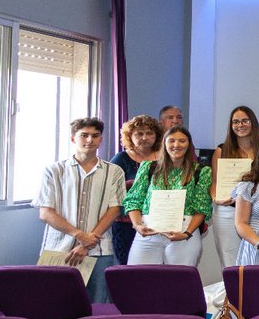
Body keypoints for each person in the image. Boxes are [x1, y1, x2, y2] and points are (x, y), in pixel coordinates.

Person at [35, 117, 126, 302]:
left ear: (101, 139)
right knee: (55, 305)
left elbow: (115, 209)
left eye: (95, 135)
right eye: (84, 135)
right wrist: (80, 235)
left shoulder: (114, 171)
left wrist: (86, 243)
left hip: (100, 251)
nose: (90, 140)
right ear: (73, 139)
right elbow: (45, 213)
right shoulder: (53, 171)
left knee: (97, 305)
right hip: (59, 250)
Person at [122, 126, 212, 266]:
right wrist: (137, 225)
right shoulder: (148, 167)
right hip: (148, 231)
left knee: (178, 283)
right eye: (171, 141)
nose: (176, 145)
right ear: (164, 144)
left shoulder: (202, 171)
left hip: (183, 233)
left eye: (182, 141)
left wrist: (186, 233)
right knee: (139, 280)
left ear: (189, 145)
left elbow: (202, 207)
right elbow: (134, 200)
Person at [211, 105, 259, 268]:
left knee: (256, 259)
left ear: (252, 122)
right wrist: (215, 198)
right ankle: (233, 294)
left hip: (257, 212)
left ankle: (252, 294)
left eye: (245, 120)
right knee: (229, 262)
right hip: (228, 212)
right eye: (235, 122)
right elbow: (215, 182)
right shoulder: (222, 150)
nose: (240, 125)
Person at [108, 114, 162, 266]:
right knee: (128, 268)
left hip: (158, 221)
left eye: (149, 133)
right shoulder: (121, 159)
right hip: (126, 224)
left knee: (158, 270)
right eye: (139, 133)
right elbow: (111, 190)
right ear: (129, 136)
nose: (144, 138)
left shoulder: (165, 157)